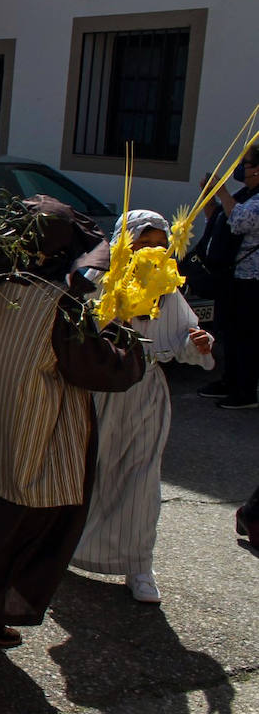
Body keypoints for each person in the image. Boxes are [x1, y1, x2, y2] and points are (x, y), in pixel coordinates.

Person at [0, 197, 145, 658]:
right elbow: (98, 369)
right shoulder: (61, 302)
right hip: (44, 431)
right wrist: (125, 331)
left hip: (6, 424)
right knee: (32, 526)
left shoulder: (7, 282)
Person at [72, 211, 215, 601]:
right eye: (143, 242)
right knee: (90, 474)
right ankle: (67, 548)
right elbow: (76, 335)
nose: (151, 251)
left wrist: (196, 343)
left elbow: (182, 339)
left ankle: (138, 564)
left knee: (142, 480)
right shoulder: (97, 281)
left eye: (158, 243)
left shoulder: (166, 287)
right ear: (125, 243)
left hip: (144, 393)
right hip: (99, 393)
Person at [207, 152, 259, 409]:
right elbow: (220, 219)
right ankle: (230, 381)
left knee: (246, 336)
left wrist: (223, 192)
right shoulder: (245, 195)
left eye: (246, 165)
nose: (241, 169)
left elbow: (239, 221)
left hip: (252, 280)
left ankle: (246, 391)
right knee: (230, 332)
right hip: (234, 277)